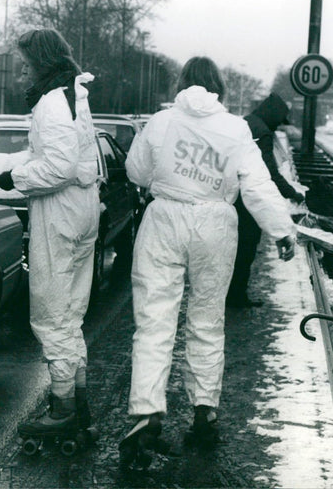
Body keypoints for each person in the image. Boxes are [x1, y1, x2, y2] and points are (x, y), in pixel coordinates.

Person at [118, 57, 296, 465]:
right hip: (216, 223)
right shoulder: (236, 129)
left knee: (155, 320)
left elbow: (135, 172)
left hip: (164, 218)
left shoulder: (162, 123)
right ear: (219, 87)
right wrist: (281, 229)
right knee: (207, 319)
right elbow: (257, 185)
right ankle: (205, 412)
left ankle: (146, 412)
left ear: (182, 83)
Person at [0, 28, 101, 438]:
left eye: (25, 65)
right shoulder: (71, 97)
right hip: (83, 210)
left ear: (42, 63)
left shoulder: (53, 103)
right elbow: (46, 156)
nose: (20, 73)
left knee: (50, 314)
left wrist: (7, 179)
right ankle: (78, 400)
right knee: (70, 315)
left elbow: (55, 169)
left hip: (60, 212)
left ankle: (63, 408)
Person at [227, 93, 305, 308]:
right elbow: (267, 173)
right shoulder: (262, 133)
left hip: (232, 195)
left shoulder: (246, 123)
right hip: (248, 202)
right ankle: (236, 297)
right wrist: (293, 193)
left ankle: (230, 294)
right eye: (280, 120)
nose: (280, 125)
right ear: (274, 115)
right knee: (246, 247)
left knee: (234, 249)